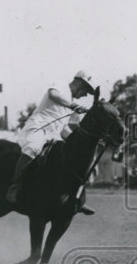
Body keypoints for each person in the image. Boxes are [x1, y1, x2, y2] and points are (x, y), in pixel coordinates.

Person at [6, 70, 97, 207]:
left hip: (55, 133)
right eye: (85, 90)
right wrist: (73, 106)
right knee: (33, 148)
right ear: (79, 83)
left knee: (77, 151)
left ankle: (77, 198)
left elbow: (64, 128)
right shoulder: (61, 85)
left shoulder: (72, 102)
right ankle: (14, 186)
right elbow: (52, 94)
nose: (85, 95)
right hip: (38, 127)